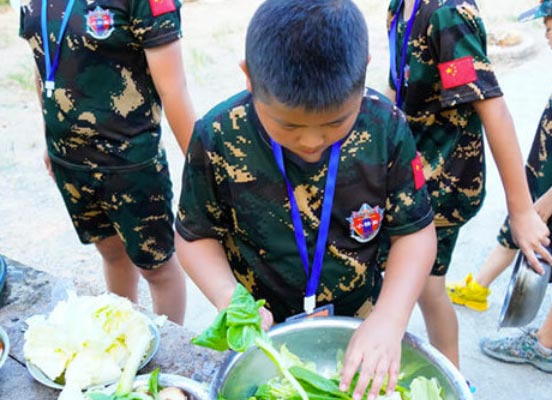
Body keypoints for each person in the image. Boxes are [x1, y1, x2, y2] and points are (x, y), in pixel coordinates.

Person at [175, 0, 437, 398]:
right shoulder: (218, 135)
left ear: (364, 69)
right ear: (249, 77)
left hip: (362, 322)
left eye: (335, 122)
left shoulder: (385, 127)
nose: (312, 141)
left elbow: (415, 233)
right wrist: (230, 298)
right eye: (289, 125)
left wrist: (389, 318)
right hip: (262, 329)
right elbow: (195, 235)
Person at [386, 0, 552, 369]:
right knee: (415, 284)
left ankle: (454, 379)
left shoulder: (448, 14)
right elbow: (396, 85)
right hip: (407, 173)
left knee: (426, 287)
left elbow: (491, 107)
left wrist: (522, 211)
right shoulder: (400, 5)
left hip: (444, 184)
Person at [19, 0, 196, 324]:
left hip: (129, 166)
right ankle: (119, 339)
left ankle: (170, 355)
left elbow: (174, 89)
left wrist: (200, 169)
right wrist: (48, 134)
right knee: (111, 252)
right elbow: (43, 60)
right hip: (68, 163)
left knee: (156, 267)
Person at [447, 0, 552, 353]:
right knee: (523, 236)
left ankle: (483, 288)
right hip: (541, 179)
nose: (545, 34)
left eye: (548, 25)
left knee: (547, 248)